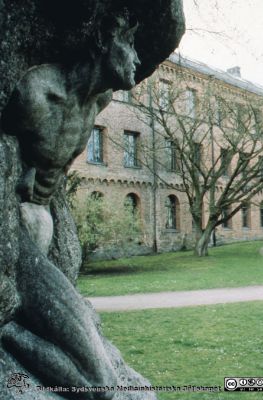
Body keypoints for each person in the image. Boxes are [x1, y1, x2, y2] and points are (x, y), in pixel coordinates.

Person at [1, 10, 140, 397]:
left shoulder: (97, 105)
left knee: (94, 357)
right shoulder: (37, 93)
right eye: (129, 44)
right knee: (99, 383)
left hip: (45, 230)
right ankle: (9, 334)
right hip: (16, 237)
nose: (137, 59)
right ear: (100, 43)